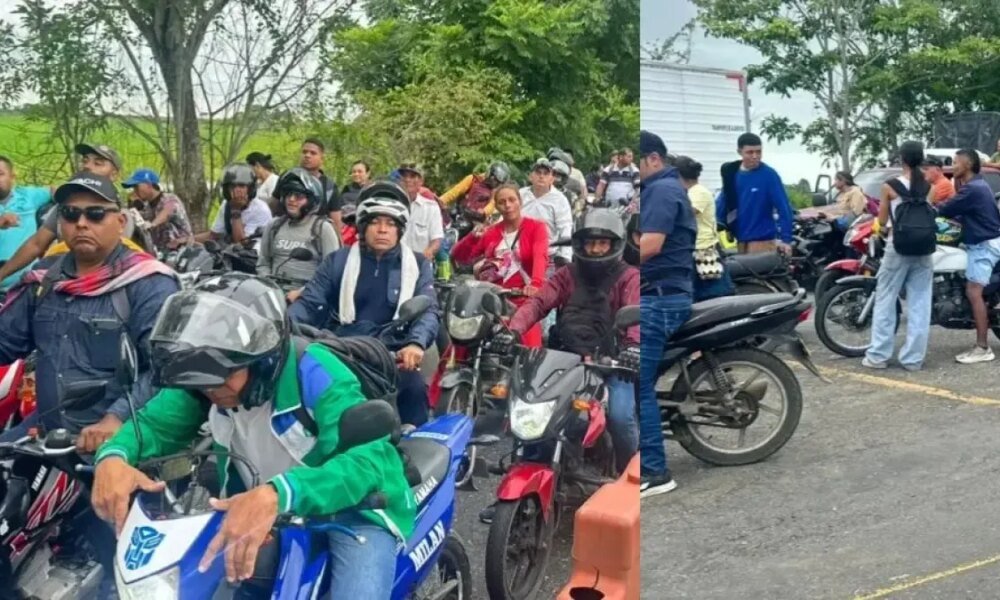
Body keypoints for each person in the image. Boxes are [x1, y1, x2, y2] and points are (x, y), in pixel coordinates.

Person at [91, 273, 414, 598]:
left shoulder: (316, 372)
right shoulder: (208, 384)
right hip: (263, 505)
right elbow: (154, 425)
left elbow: (367, 462)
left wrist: (278, 494)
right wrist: (114, 456)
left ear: (263, 360)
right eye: (203, 381)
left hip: (356, 511)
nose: (211, 390)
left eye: (223, 376)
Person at [0, 171, 180, 447]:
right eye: (70, 214)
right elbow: (6, 342)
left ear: (120, 222)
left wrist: (115, 419)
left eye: (95, 214)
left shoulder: (149, 283)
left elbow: (165, 369)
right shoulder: (45, 277)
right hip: (48, 431)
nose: (81, 223)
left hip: (121, 438)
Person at [289, 182, 439, 427]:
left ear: (400, 230)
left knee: (413, 390)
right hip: (339, 348)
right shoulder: (337, 260)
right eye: (375, 222)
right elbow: (309, 302)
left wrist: (415, 343)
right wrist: (282, 326)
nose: (382, 230)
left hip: (392, 354)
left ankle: (414, 454)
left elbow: (428, 309)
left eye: (390, 224)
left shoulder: (418, 264)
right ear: (362, 226)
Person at [502, 209, 639, 471]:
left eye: (602, 243)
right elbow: (539, 302)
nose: (596, 249)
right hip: (566, 359)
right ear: (580, 244)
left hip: (613, 363)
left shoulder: (629, 277)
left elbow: (635, 315)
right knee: (531, 403)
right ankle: (528, 462)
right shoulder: (567, 274)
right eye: (590, 242)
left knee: (621, 418)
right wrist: (512, 329)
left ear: (614, 244)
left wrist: (633, 348)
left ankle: (630, 478)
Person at [636, 130, 696, 497]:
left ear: (653, 159)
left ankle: (656, 471)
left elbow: (651, 244)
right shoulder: (663, 188)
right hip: (661, 293)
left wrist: (621, 261)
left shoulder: (661, 190)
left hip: (660, 299)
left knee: (638, 382)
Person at [0, 143, 139, 286]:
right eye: (85, 160)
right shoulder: (63, 207)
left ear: (114, 174)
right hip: (63, 284)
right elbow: (36, 244)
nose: (88, 166)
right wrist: (3, 274)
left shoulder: (122, 215)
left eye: (98, 163)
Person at [864, 141, 934, 371]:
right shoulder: (928, 186)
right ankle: (913, 359)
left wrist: (879, 231)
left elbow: (882, 221)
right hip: (924, 248)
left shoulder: (889, 187)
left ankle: (878, 356)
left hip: (898, 246)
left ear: (902, 159)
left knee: (885, 298)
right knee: (920, 302)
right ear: (920, 159)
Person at [451, 183, 549, 347]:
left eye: (512, 200)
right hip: (492, 301)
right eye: (502, 202)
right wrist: (472, 238)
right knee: (463, 341)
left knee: (530, 350)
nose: (508, 205)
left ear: (520, 201)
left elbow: (541, 256)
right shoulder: (491, 232)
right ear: (496, 206)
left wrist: (536, 284)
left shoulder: (536, 228)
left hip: (523, 300)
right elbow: (459, 256)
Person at [937, 149, 1000, 364]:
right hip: (982, 242)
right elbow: (957, 212)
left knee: (974, 291)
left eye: (956, 163)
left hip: (984, 246)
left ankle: (983, 348)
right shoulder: (974, 186)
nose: (953, 166)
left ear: (968, 165)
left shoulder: (973, 189)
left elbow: (944, 208)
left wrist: (926, 208)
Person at [257, 168, 341, 302]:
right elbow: (263, 262)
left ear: (311, 200)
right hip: (273, 295)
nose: (291, 200)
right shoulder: (274, 226)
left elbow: (332, 273)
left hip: (308, 297)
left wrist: (301, 292)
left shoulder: (322, 228)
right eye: (288, 194)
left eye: (298, 196)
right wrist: (268, 285)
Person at [715, 133, 794, 254]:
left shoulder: (769, 175)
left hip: (763, 241)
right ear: (739, 152)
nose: (755, 156)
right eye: (750, 152)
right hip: (740, 240)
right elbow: (722, 202)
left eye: (759, 152)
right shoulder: (731, 174)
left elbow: (784, 208)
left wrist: (786, 240)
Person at [676, 156, 732, 301]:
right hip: (694, 249)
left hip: (702, 250)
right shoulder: (691, 191)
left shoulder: (697, 192)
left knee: (710, 297)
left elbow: (685, 213)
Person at [0, 156, 52, 290]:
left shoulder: (28, 196)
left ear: (12, 177)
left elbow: (54, 191)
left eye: (0, 174)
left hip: (25, 285)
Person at [196, 163, 272, 245]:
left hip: (254, 254)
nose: (237, 190)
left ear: (250, 189)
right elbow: (214, 235)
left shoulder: (261, 210)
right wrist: (188, 239)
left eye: (242, 186)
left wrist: (236, 210)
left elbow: (241, 244)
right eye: (233, 186)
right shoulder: (227, 204)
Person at [121, 168, 193, 252]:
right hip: (159, 254)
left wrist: (152, 224)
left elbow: (167, 211)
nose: (135, 191)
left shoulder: (169, 199)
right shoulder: (147, 207)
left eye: (136, 187)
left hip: (182, 251)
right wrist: (132, 207)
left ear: (148, 185)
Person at [520, 158, 573, 267]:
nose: (541, 176)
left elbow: (565, 229)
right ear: (531, 176)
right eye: (538, 173)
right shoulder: (520, 194)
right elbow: (505, 219)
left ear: (552, 178)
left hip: (548, 255)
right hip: (519, 251)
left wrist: (565, 258)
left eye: (545, 173)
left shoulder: (560, 200)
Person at [397, 163, 445, 260]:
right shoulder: (391, 205)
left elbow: (436, 239)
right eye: (404, 176)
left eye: (412, 176)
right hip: (394, 263)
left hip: (420, 263)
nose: (407, 180)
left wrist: (430, 251)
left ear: (421, 181)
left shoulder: (431, 207)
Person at [299, 137, 343, 233]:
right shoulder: (287, 178)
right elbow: (273, 209)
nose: (307, 155)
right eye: (304, 152)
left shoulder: (329, 187)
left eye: (313, 153)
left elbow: (336, 223)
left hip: (316, 237)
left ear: (322, 159)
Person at [439, 162, 512, 218]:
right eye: (495, 180)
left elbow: (491, 205)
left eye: (499, 182)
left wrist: (484, 212)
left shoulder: (495, 192)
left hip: (475, 220)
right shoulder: (473, 179)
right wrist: (440, 200)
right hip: (458, 212)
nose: (496, 183)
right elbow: (455, 191)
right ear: (490, 175)